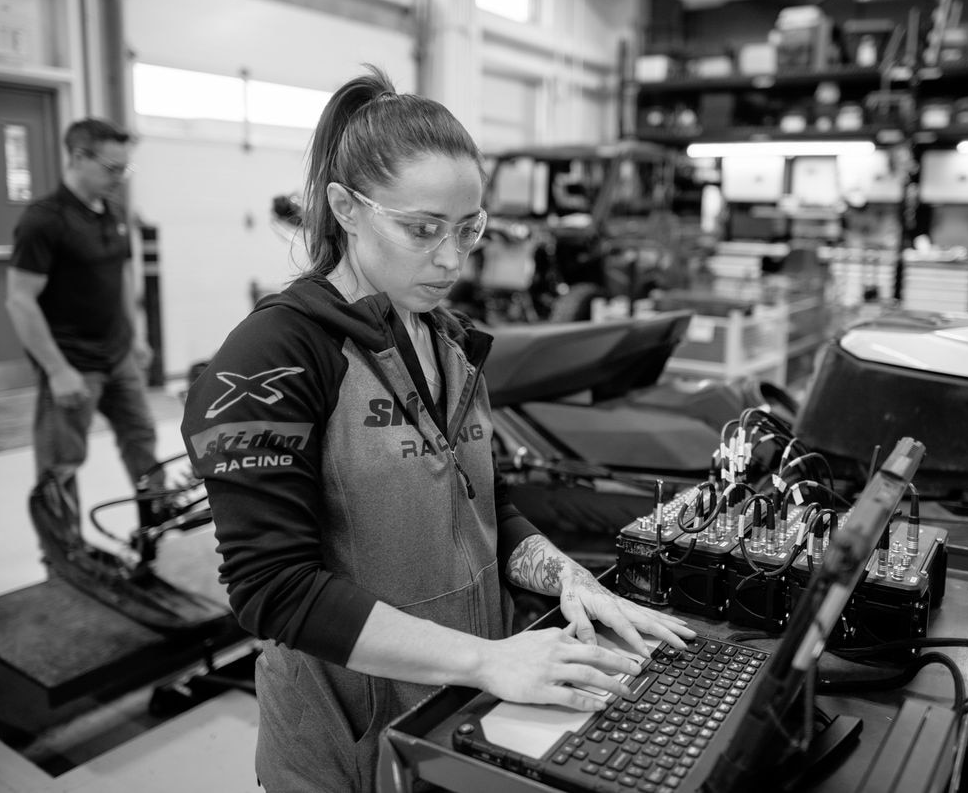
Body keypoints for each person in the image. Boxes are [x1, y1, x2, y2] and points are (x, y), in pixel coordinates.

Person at [180, 65, 694, 792]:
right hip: (347, 748)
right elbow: (274, 588)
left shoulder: (449, 343)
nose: (451, 259)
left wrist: (573, 580)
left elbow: (492, 509)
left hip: (458, 717)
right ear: (346, 208)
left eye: (468, 229)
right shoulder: (276, 354)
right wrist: (487, 660)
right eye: (422, 230)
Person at [5, 118, 160, 509]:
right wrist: (57, 370)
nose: (120, 177)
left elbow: (119, 276)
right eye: (112, 168)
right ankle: (62, 566)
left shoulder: (113, 212)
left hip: (119, 356)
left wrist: (135, 335)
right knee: (61, 466)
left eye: (125, 168)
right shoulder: (44, 220)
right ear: (78, 157)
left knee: (143, 444)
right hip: (73, 363)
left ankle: (158, 536)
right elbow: (19, 300)